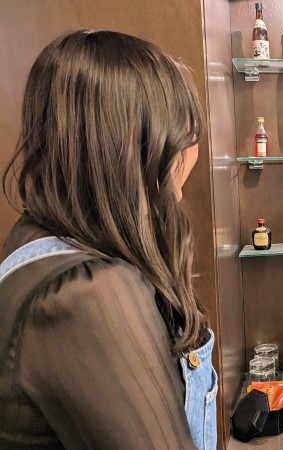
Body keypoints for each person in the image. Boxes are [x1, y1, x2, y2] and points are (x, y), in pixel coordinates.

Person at [0, 31, 215, 449]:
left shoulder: (35, 241)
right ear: (131, 149)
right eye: (181, 137)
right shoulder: (87, 296)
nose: (190, 151)